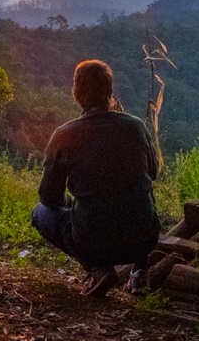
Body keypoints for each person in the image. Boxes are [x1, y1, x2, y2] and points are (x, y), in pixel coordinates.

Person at [31, 60, 160, 297]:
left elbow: (49, 197)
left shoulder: (65, 135)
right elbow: (153, 173)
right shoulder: (136, 127)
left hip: (92, 241)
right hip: (144, 237)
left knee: (40, 212)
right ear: (110, 93)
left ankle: (97, 268)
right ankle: (140, 273)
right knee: (141, 194)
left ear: (76, 93)